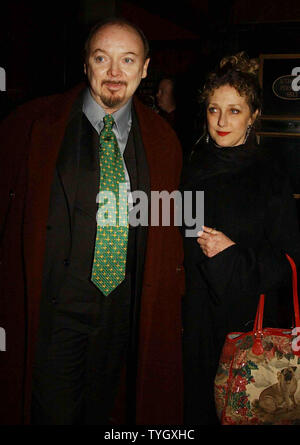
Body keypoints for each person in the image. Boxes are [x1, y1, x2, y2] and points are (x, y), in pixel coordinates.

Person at [0, 17, 184, 425]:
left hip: (123, 319)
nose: (115, 73)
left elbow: (168, 229)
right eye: (103, 58)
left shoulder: (163, 142)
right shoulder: (30, 127)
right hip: (55, 315)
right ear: (86, 64)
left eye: (128, 60)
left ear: (146, 68)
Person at [180, 52, 300, 424]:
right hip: (193, 318)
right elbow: (175, 233)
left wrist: (233, 255)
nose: (221, 120)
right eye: (214, 109)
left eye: (234, 110)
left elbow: (289, 259)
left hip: (247, 323)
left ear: (253, 115)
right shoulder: (191, 166)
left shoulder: (270, 175)